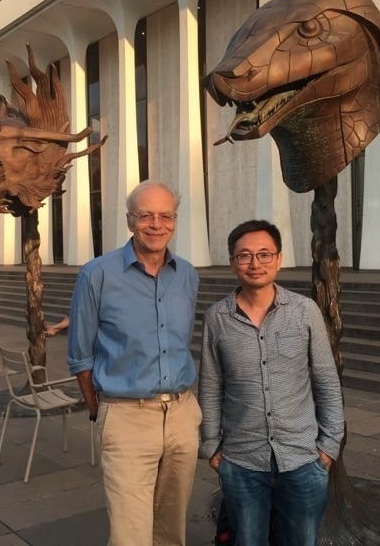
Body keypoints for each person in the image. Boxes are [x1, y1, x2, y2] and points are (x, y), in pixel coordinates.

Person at [67, 180, 202, 546]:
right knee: (130, 535)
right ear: (130, 220)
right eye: (146, 215)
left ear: (174, 221)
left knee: (171, 528)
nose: (156, 224)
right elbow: (79, 355)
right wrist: (99, 411)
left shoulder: (187, 275)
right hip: (126, 416)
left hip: (181, 415)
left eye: (165, 216)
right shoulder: (96, 274)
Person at [199, 220, 344, 546]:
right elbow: (210, 386)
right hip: (242, 461)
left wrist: (329, 446)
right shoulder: (217, 318)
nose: (255, 263)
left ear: (278, 259)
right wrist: (211, 445)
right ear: (232, 262)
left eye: (264, 254)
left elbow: (326, 379)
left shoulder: (304, 311)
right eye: (245, 255)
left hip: (303, 459)